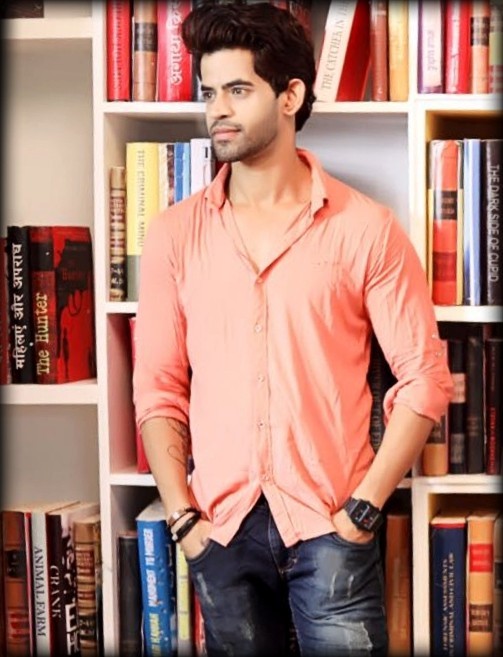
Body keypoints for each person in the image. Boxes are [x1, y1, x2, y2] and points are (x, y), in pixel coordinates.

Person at [132, 3, 453, 656]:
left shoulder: (366, 229)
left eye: (238, 89)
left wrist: (362, 510)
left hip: (331, 526)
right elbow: (158, 387)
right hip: (219, 530)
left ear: (290, 95)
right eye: (209, 93)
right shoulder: (172, 235)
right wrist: (184, 518)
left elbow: (424, 379)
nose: (217, 110)